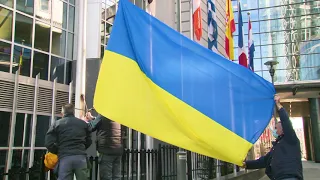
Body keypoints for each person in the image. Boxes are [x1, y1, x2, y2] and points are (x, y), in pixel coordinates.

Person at [242, 95, 303, 180]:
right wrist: (245, 164)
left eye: (276, 128)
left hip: (289, 177)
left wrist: (278, 105)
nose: (274, 130)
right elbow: (262, 162)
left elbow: (286, 121)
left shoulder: (290, 139)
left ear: (283, 129)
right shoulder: (276, 148)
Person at [45, 104, 92, 180]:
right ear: (73, 112)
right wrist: (82, 148)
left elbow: (48, 143)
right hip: (80, 157)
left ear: (62, 113)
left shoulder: (57, 124)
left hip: (65, 158)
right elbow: (89, 140)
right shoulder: (83, 124)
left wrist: (58, 150)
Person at [86, 112, 123, 180]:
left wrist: (85, 121)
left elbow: (91, 127)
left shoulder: (103, 114)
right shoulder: (117, 115)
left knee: (106, 177)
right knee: (116, 177)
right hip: (117, 150)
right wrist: (94, 118)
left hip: (106, 150)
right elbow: (104, 122)